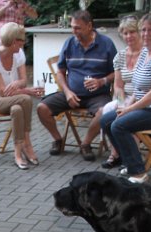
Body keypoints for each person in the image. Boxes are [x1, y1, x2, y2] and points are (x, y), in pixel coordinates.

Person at [99, 13, 151, 184]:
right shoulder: (145, 52)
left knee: (119, 125)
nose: (146, 34)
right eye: (143, 29)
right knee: (106, 120)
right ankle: (130, 161)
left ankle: (138, 172)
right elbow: (138, 86)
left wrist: (129, 109)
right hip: (147, 107)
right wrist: (127, 104)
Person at [36, 10, 117, 161]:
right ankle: (58, 139)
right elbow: (60, 72)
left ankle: (85, 144)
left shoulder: (106, 44)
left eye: (78, 28)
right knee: (42, 108)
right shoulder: (69, 43)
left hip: (98, 95)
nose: (74, 31)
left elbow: (117, 73)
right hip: (72, 94)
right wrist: (67, 92)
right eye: (73, 27)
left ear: (89, 26)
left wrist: (102, 81)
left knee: (104, 112)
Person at [0, 22, 44, 169]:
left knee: (17, 109)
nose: (24, 43)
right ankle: (27, 142)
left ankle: (18, 152)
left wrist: (17, 84)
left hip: (12, 99)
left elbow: (23, 81)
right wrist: (28, 90)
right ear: (14, 41)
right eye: (21, 40)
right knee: (26, 98)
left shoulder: (18, 54)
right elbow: (3, 92)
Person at [101, 15, 143, 169]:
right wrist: (120, 104)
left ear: (139, 33)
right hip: (125, 98)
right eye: (125, 33)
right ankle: (117, 151)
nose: (129, 36)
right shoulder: (120, 56)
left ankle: (130, 158)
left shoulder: (147, 55)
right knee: (106, 112)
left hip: (143, 98)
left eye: (132, 32)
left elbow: (147, 86)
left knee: (125, 119)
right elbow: (118, 85)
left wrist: (128, 106)